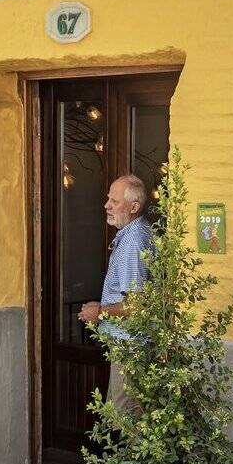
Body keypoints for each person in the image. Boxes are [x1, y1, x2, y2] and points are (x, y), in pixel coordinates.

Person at [78, 175, 153, 411]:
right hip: (127, 346)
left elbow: (136, 305)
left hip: (130, 347)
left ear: (134, 207)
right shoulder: (133, 234)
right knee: (122, 416)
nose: (106, 205)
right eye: (108, 199)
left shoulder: (133, 241)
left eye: (114, 200)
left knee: (129, 421)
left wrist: (98, 312)